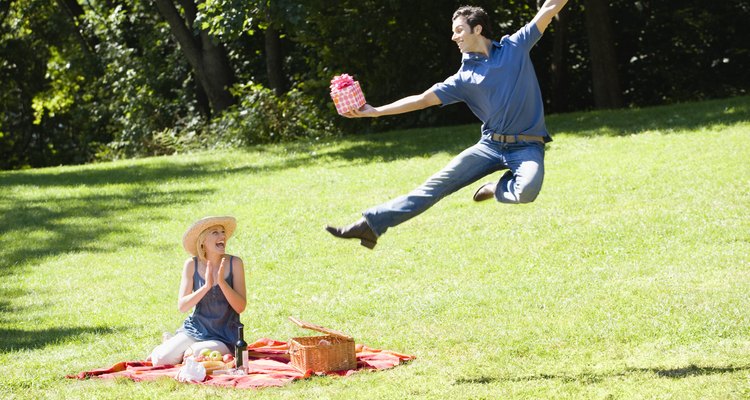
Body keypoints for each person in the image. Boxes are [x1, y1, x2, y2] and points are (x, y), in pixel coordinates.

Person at [326, 1, 569, 249]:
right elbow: (422, 100)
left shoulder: (514, 47)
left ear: (478, 29)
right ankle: (370, 225)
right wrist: (375, 112)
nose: (454, 37)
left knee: (527, 190)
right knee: (434, 186)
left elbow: (548, 9)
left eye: (459, 30)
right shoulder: (463, 77)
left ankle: (496, 188)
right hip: (490, 146)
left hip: (528, 147)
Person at [149, 216, 247, 366]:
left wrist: (221, 282)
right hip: (195, 329)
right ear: (202, 241)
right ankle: (169, 345)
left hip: (224, 335)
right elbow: (182, 306)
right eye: (215, 233)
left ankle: (177, 346)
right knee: (160, 359)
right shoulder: (191, 265)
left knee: (194, 354)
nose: (222, 236)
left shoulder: (235, 263)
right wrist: (206, 287)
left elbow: (240, 307)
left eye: (222, 232)